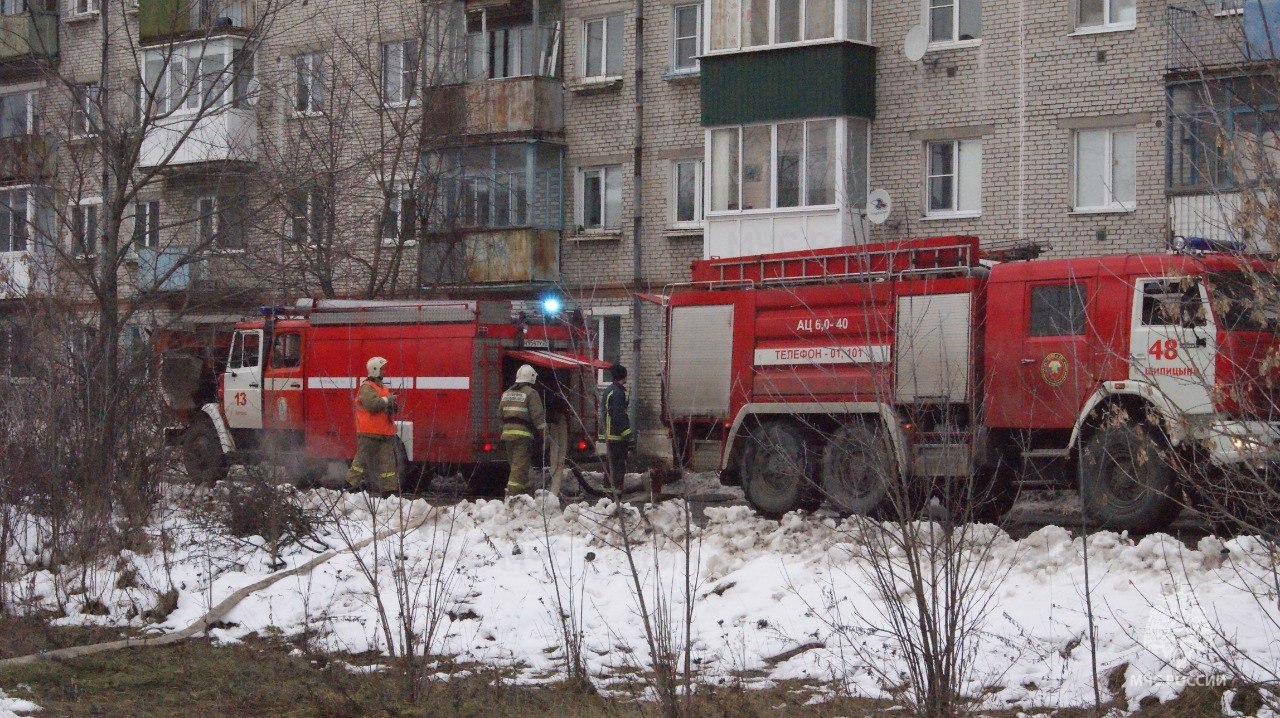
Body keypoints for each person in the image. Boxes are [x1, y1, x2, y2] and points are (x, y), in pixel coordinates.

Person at [345, 356, 400, 494]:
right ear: (375, 370)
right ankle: (349, 486)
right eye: (382, 369)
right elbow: (373, 404)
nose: (384, 372)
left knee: (388, 466)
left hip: (385, 432)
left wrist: (393, 404)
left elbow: (386, 404)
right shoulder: (366, 388)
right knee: (361, 462)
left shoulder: (383, 388)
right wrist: (388, 399)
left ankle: (390, 492)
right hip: (369, 432)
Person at [500, 364, 546, 497]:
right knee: (518, 470)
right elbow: (538, 417)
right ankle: (512, 497)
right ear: (532, 378)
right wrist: (545, 437)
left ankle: (526, 495)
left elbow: (500, 414)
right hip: (523, 437)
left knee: (519, 467)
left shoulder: (506, 393)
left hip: (507, 436)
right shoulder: (531, 393)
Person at [600, 363, 632, 494]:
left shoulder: (610, 390)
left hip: (610, 434)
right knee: (618, 465)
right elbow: (618, 415)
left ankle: (608, 492)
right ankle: (616, 494)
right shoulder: (618, 393)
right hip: (616, 435)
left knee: (611, 464)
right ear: (623, 376)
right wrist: (627, 434)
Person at [544, 380, 570, 497]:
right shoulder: (558, 394)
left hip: (554, 425)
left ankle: (554, 492)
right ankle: (554, 492)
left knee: (556, 459)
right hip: (557, 424)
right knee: (558, 459)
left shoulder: (549, 393)